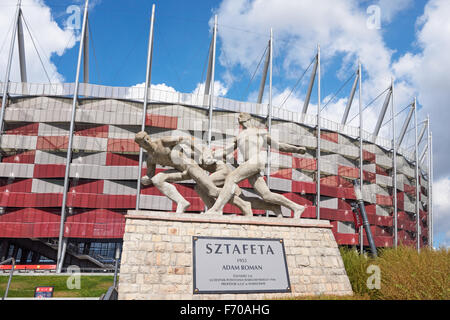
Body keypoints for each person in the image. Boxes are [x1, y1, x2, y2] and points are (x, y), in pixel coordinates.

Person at [205, 112, 307, 218]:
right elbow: (226, 151)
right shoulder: (239, 136)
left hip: (256, 160)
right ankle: (296, 207)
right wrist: (213, 154)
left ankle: (217, 209)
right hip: (249, 165)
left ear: (250, 120)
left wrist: (296, 149)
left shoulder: (260, 132)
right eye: (241, 122)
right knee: (266, 195)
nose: (242, 123)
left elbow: (279, 145)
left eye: (244, 121)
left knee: (230, 178)